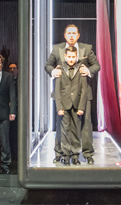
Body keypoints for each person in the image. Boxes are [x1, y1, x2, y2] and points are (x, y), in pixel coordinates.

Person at [45, 24, 100, 164]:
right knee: (61, 125)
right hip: (63, 93)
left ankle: (87, 154)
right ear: (64, 35)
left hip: (82, 94)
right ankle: (60, 153)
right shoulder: (57, 49)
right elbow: (48, 65)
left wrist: (88, 71)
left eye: (73, 33)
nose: (71, 36)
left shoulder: (86, 48)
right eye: (68, 33)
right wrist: (53, 71)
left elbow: (96, 65)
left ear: (78, 35)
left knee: (86, 125)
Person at [53, 46, 90, 166]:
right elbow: (57, 90)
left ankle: (75, 156)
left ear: (76, 57)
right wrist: (59, 107)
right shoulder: (60, 69)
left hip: (76, 105)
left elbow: (84, 90)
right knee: (64, 131)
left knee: (75, 131)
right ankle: (65, 156)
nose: (71, 59)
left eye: (73, 57)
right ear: (65, 56)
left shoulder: (81, 69)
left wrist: (81, 107)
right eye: (69, 56)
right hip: (64, 105)